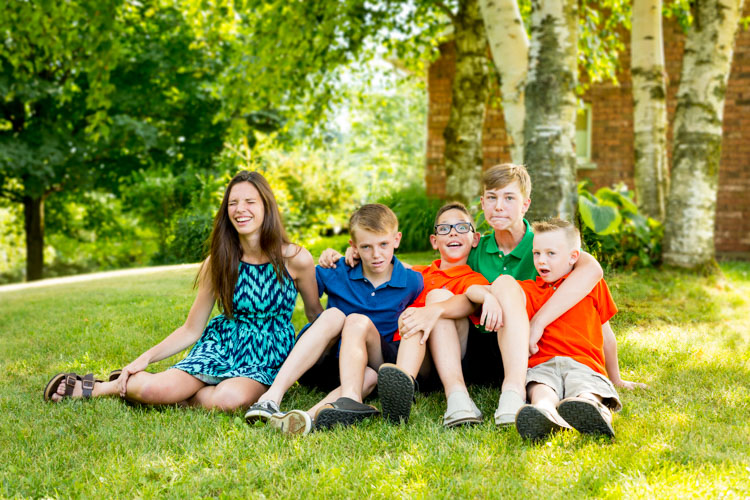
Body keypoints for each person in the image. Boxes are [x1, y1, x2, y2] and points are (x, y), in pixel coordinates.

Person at [327, 164, 606, 427]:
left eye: (509, 198)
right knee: (437, 298)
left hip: (522, 347)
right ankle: (455, 397)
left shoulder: (543, 245)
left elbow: (590, 271)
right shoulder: (475, 246)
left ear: (525, 204)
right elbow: (423, 265)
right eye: (492, 198)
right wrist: (351, 254)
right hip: (472, 345)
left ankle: (512, 390)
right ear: (482, 203)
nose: (499, 206)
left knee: (497, 286)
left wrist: (539, 323)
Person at [43, 171, 322, 411]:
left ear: (266, 206)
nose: (240, 209)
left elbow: (314, 316)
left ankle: (167, 395)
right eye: (233, 203)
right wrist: (146, 357)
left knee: (227, 400)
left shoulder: (295, 259)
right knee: (153, 391)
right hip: (221, 346)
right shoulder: (220, 261)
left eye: (250, 201)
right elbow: (191, 329)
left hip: (267, 355)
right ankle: (109, 386)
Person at [244, 203, 423, 435]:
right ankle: (271, 397)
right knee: (336, 315)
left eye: (383, 244)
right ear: (354, 247)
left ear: (397, 240)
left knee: (370, 369)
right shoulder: (337, 270)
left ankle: (308, 417)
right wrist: (324, 258)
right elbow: (292, 283)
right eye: (366, 247)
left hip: (371, 362)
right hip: (324, 362)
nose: (376, 254)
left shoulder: (411, 281)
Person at [514, 219, 645, 440]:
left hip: (584, 363)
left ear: (574, 257)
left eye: (550, 254)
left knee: (587, 389)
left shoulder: (590, 286)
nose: (541, 260)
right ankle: (544, 414)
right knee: (540, 388)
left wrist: (616, 379)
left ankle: (593, 410)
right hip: (543, 363)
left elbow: (607, 336)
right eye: (536, 253)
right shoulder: (528, 291)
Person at [375, 202, 502, 427]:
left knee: (436, 299)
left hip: (455, 356)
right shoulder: (418, 273)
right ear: (435, 241)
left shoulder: (472, 279)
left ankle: (458, 397)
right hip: (420, 361)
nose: (453, 232)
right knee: (416, 313)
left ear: (475, 239)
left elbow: (473, 298)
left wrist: (487, 296)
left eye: (462, 227)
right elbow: (381, 262)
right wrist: (350, 252)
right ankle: (402, 388)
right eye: (444, 228)